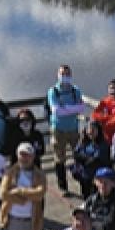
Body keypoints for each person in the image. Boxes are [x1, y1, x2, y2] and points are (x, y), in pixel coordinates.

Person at [48, 65, 86, 197]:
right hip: (58, 129)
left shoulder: (76, 90)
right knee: (60, 158)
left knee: (79, 156)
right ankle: (63, 186)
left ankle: (83, 185)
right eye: (62, 73)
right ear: (58, 75)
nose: (65, 76)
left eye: (67, 73)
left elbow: (81, 108)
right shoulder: (53, 91)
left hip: (74, 128)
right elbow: (56, 111)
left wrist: (66, 109)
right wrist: (73, 108)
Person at [71, 121, 110, 200]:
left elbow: (96, 160)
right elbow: (76, 154)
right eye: (89, 130)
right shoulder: (83, 141)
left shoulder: (103, 144)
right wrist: (86, 158)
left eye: (93, 130)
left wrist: (83, 158)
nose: (90, 132)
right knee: (85, 194)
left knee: (96, 195)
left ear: (98, 131)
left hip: (96, 174)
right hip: (83, 173)